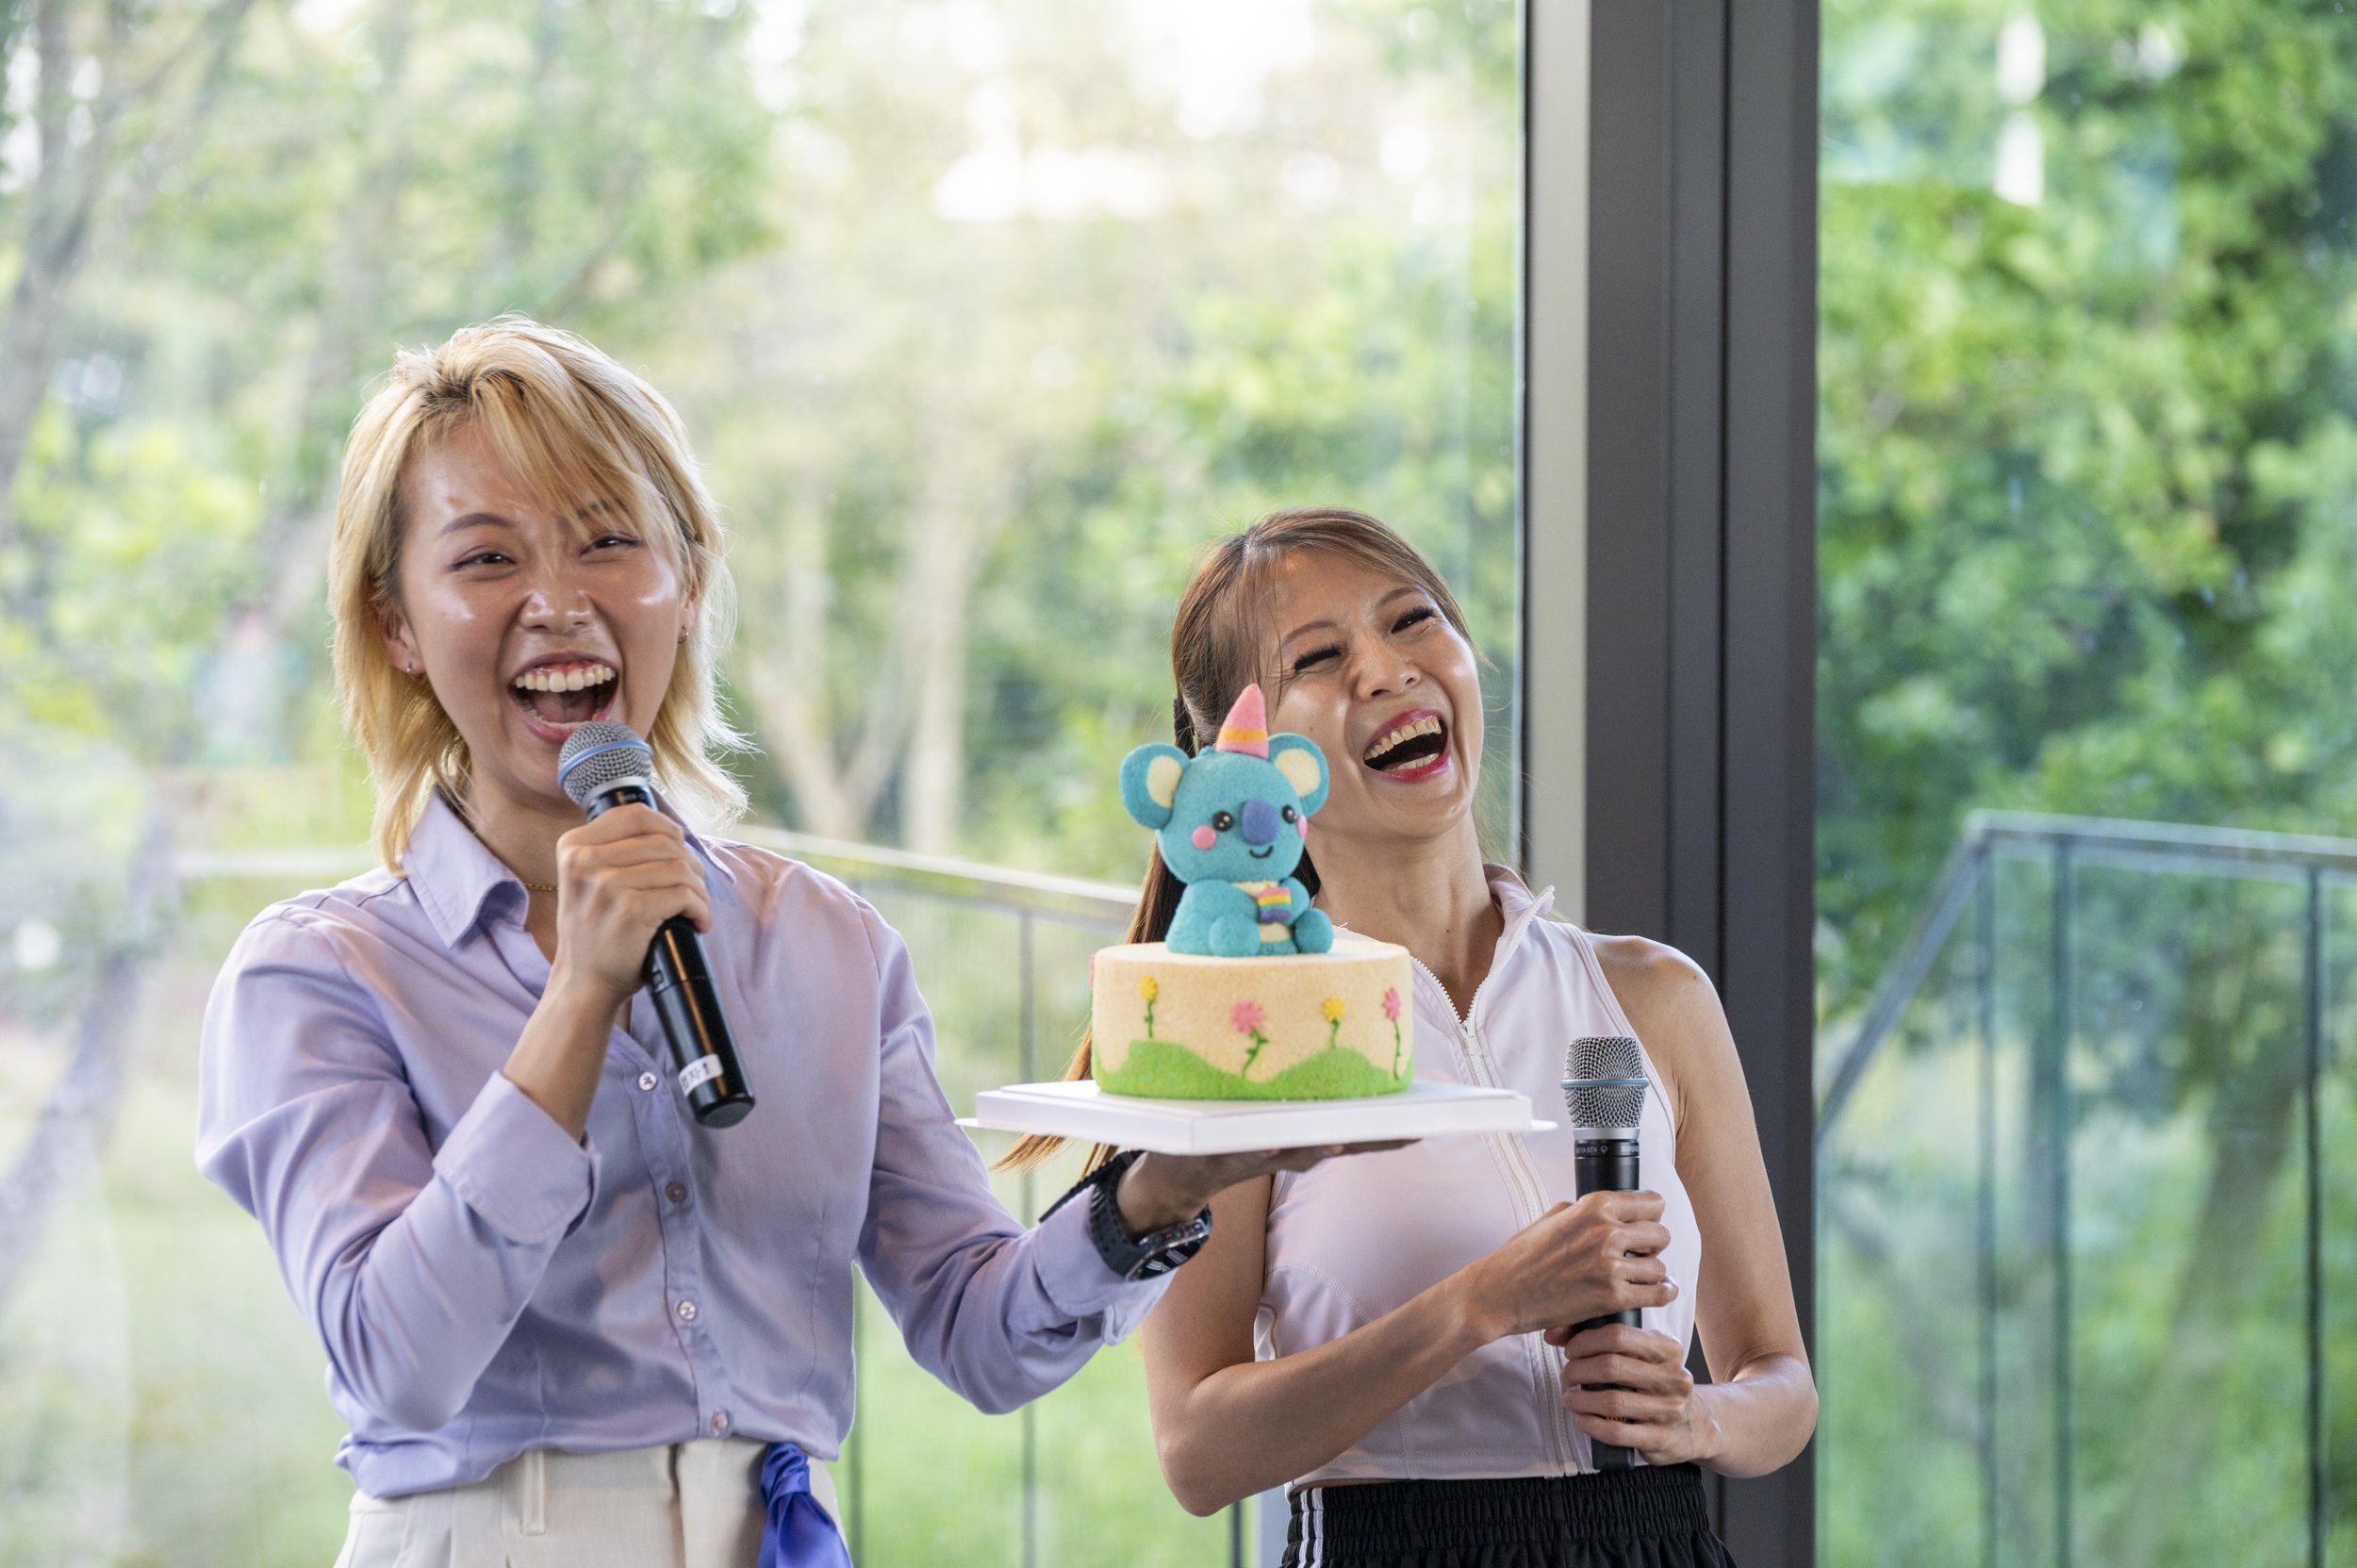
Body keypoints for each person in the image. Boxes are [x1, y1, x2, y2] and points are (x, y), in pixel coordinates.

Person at [194, 319, 1360, 1567]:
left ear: (688, 580)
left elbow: (981, 1334)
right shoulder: (315, 973)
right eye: (486, 557)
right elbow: (396, 1362)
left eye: (608, 540)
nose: (558, 603)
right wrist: (580, 995)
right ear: (397, 625)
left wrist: (1158, 1192)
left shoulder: (826, 941)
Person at [1117, 508, 1815, 1566]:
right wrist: (1482, 1304)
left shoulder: (1654, 995)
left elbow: (1781, 1378)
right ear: (1249, 759)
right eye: (1320, 656)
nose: (1386, 669)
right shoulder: (1241, 1034)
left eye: (1412, 620)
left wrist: (1697, 1417)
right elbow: (1195, 1451)